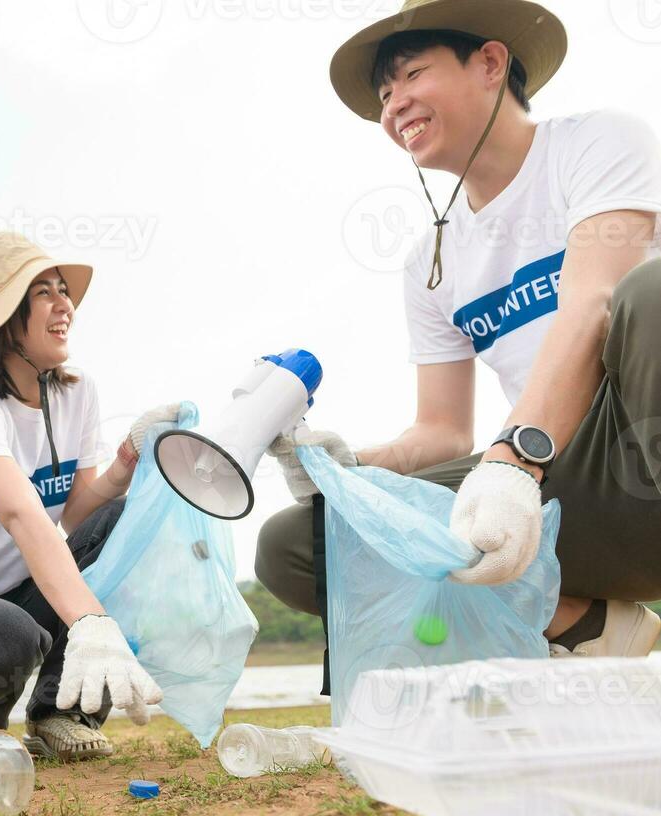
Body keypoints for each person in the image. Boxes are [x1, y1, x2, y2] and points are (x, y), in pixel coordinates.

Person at [257, 0, 661, 671]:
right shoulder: (428, 263)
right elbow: (441, 433)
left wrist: (513, 460)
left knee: (649, 295)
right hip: (560, 492)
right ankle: (583, 623)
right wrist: (345, 470)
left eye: (410, 75)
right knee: (299, 543)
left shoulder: (594, 142)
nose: (393, 105)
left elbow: (592, 300)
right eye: (384, 94)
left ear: (490, 63)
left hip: (631, 444)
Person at [0, 231, 177, 761]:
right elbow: (23, 514)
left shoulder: (77, 392)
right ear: (3, 319)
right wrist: (92, 623)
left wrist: (124, 464)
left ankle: (60, 713)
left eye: (62, 289)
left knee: (121, 523)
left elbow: (79, 513)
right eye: (42, 291)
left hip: (25, 591)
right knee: (0, 629)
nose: (64, 302)